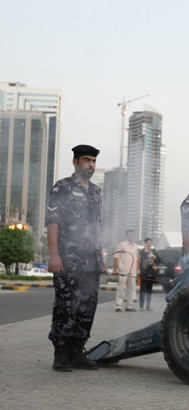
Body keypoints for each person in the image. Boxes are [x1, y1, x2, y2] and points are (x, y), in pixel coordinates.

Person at [46, 144, 104, 372]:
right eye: (87, 160)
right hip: (68, 260)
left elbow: (98, 227)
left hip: (92, 261)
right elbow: (53, 221)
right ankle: (61, 352)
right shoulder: (62, 188)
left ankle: (77, 350)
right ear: (75, 162)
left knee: (88, 306)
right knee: (66, 305)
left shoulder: (96, 192)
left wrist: (100, 255)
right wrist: (53, 254)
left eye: (93, 161)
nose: (91, 165)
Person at [113, 230, 139, 312]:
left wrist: (137, 271)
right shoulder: (122, 245)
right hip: (123, 269)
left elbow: (136, 259)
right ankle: (118, 306)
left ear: (134, 236)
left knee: (131, 288)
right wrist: (115, 269)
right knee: (121, 287)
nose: (131, 236)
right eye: (129, 235)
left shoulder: (135, 246)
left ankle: (129, 306)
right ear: (126, 236)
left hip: (133, 270)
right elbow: (116, 256)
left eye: (132, 235)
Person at [139, 238, 160, 311]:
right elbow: (142, 258)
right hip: (144, 273)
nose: (149, 244)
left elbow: (159, 260)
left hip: (151, 273)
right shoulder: (142, 251)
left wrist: (155, 257)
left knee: (149, 290)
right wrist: (146, 253)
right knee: (143, 289)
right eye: (148, 243)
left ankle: (148, 306)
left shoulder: (154, 251)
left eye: (150, 243)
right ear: (145, 244)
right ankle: (141, 306)